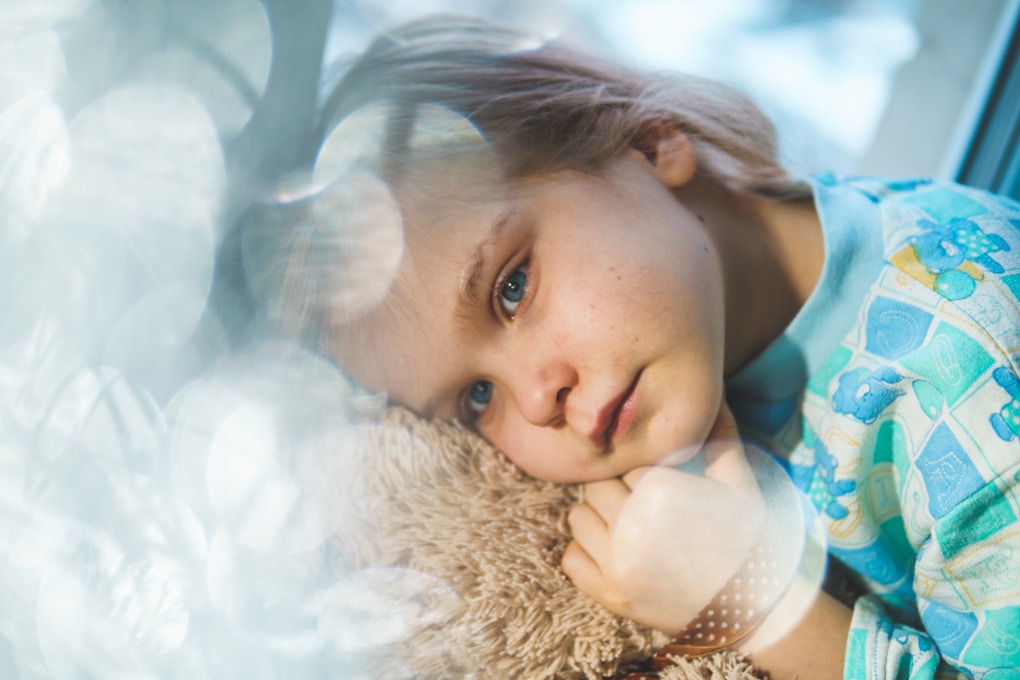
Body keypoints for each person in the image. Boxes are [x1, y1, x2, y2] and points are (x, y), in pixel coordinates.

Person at [265, 12, 1020, 679]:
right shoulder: (720, 287)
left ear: (649, 142)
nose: (536, 399)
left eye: (512, 287)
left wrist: (753, 605)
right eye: (477, 399)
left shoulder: (972, 388)